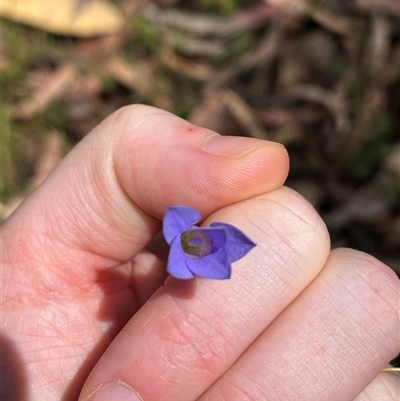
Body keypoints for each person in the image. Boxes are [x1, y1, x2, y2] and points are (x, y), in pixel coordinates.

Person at [1, 105, 399, 401]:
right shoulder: (180, 230)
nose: (197, 242)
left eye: (198, 242)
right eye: (194, 241)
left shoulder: (196, 240)